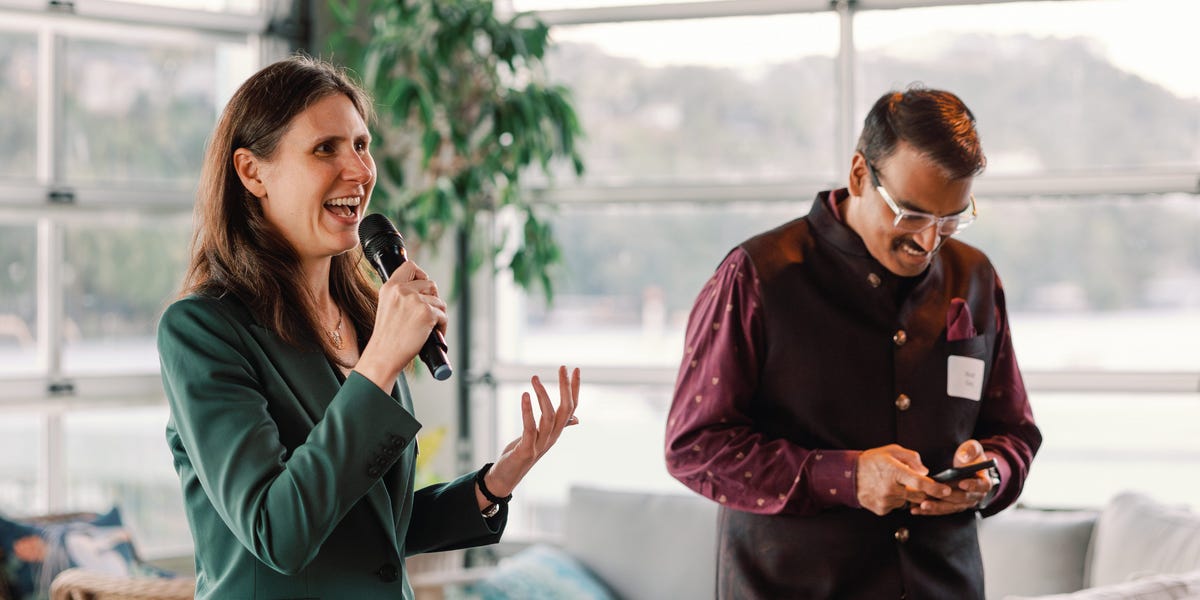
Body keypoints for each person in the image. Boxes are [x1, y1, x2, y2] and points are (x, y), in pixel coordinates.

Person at [158, 55, 580, 599]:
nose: (359, 171)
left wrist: (495, 481)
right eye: (324, 149)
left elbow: (371, 529)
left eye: (360, 144)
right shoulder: (203, 331)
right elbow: (279, 533)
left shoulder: (359, 314)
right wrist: (379, 363)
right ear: (252, 172)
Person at [664, 87, 1041, 599]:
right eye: (911, 214)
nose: (928, 242)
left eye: (950, 219)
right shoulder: (756, 276)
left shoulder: (975, 276)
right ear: (860, 175)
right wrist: (846, 476)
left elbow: (1015, 431)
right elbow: (695, 448)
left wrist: (990, 475)